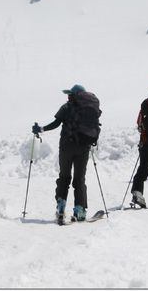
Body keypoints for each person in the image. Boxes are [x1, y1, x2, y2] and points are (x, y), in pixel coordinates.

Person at [32, 84, 102, 223]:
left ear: (74, 95)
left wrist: (41, 129)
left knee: (64, 177)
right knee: (79, 179)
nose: (68, 96)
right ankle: (80, 210)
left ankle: (61, 207)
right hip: (83, 147)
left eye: (69, 94)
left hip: (66, 147)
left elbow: (56, 123)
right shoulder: (89, 109)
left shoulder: (66, 107)